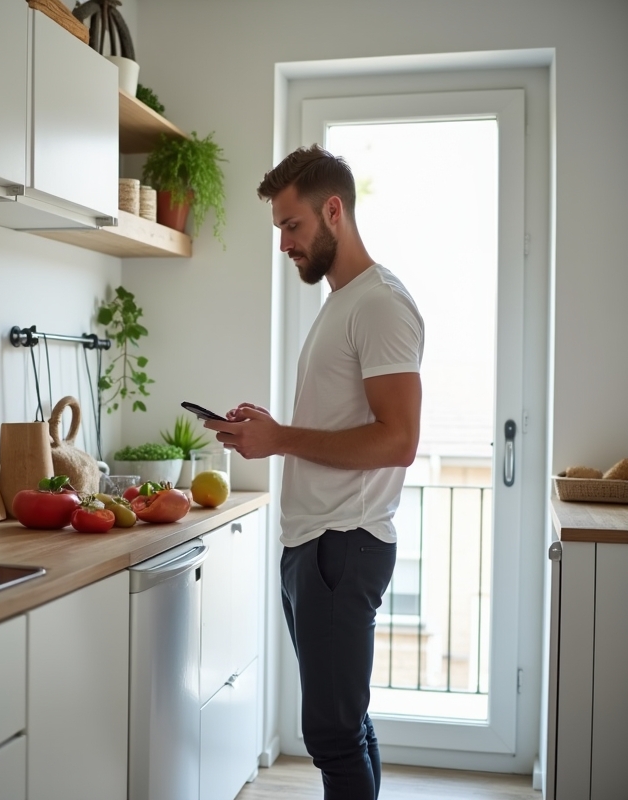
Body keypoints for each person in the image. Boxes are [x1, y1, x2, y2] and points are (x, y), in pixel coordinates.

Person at [203, 144, 424, 800]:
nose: (284, 244)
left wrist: (280, 440)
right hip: (319, 546)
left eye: (292, 226)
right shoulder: (343, 302)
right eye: (279, 230)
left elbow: (399, 440)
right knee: (345, 727)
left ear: (334, 211)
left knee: (331, 736)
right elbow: (343, 425)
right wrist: (272, 431)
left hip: (341, 545)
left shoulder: (380, 303)